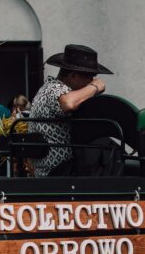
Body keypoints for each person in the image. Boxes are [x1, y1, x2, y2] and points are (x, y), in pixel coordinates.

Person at [29, 44, 111, 177]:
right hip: (60, 172)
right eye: (89, 77)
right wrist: (94, 87)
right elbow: (69, 103)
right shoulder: (55, 90)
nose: (91, 80)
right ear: (73, 76)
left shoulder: (48, 88)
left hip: (59, 170)